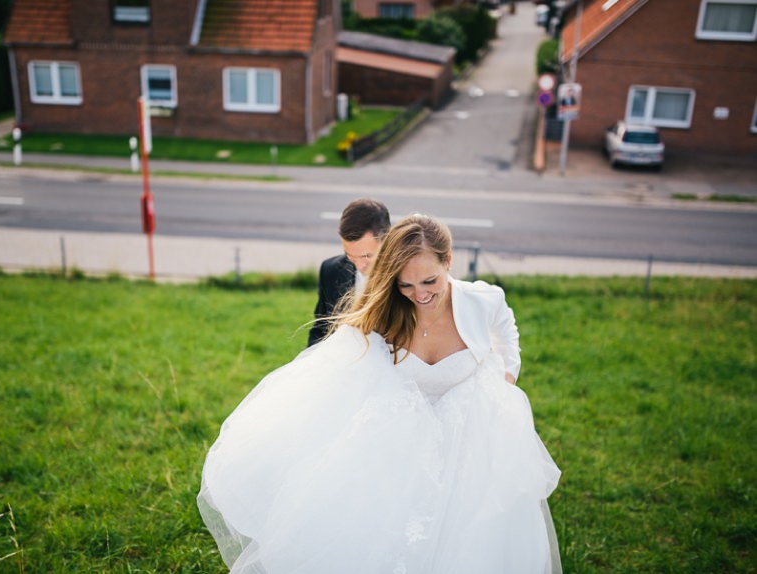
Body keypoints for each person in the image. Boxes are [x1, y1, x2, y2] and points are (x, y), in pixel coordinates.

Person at [198, 214, 561, 574]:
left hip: (467, 439)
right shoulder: (381, 314)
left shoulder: (486, 300)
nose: (420, 295)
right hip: (398, 446)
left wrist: (503, 382)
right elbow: (338, 370)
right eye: (406, 286)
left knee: (469, 538)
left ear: (448, 261)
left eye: (430, 280)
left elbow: (507, 335)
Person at [308, 198, 391, 347]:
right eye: (350, 255)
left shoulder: (404, 277)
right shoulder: (330, 270)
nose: (359, 265)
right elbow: (320, 330)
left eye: (367, 256)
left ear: (386, 241)